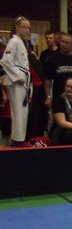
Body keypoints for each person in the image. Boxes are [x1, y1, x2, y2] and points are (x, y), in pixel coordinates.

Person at [0, 16, 33, 147]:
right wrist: (17, 76)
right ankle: (17, 140)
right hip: (17, 80)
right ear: (17, 27)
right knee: (18, 110)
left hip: (22, 78)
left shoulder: (21, 42)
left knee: (22, 110)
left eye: (28, 28)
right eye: (24, 27)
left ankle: (19, 138)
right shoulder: (14, 41)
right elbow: (5, 61)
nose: (27, 30)